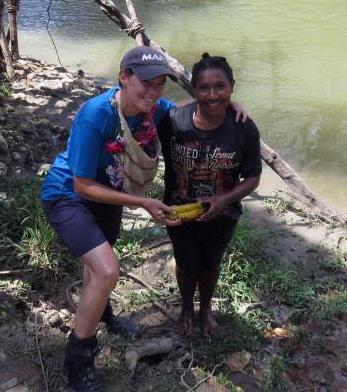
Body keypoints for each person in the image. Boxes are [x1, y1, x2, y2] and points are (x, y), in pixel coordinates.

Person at [41, 46, 248, 392]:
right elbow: (82, 183)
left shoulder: (153, 108)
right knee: (107, 268)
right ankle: (78, 357)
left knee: (96, 266)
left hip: (108, 195)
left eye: (159, 84)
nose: (153, 92)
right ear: (123, 77)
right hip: (68, 196)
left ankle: (102, 315)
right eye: (145, 84)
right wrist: (141, 201)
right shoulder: (97, 115)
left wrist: (226, 105)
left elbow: (185, 108)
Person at [158, 53, 262, 337]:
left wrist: (224, 200)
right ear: (194, 89)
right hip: (179, 213)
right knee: (185, 262)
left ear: (232, 86)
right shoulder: (173, 121)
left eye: (220, 87)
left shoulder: (244, 128)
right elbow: (138, 115)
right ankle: (186, 308)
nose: (212, 94)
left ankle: (205, 308)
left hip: (223, 215)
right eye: (204, 87)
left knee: (211, 263)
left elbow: (253, 176)